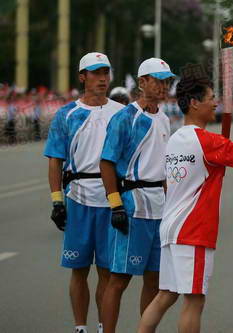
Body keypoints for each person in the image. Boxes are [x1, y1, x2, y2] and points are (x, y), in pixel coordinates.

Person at [137, 78, 233, 333]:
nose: (216, 103)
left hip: (170, 228)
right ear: (194, 103)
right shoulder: (207, 142)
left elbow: (169, 185)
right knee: (194, 300)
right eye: (211, 98)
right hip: (194, 231)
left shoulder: (174, 139)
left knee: (165, 296)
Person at [44, 52, 124, 333]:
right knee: (79, 269)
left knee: (107, 271)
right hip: (78, 198)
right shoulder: (67, 114)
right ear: (82, 77)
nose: (102, 78)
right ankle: (80, 327)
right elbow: (55, 159)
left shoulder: (120, 113)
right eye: (95, 73)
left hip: (111, 200)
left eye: (105, 72)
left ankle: (104, 325)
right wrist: (57, 201)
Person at [99, 58, 175, 333]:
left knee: (154, 280)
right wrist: (115, 204)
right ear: (142, 82)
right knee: (118, 279)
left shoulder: (165, 118)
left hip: (159, 207)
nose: (164, 86)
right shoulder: (125, 118)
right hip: (133, 204)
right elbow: (106, 162)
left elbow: (164, 169)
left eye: (167, 81)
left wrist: (174, 207)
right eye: (158, 80)